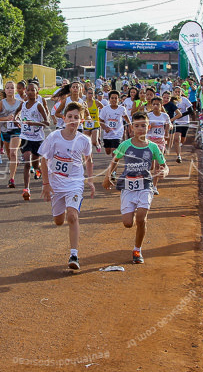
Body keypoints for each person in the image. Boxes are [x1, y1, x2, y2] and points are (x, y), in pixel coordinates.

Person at [103, 111, 169, 264]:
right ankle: (132, 212)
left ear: (149, 127)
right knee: (128, 223)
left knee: (141, 218)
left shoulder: (153, 147)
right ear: (132, 127)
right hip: (128, 186)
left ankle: (137, 250)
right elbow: (115, 161)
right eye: (137, 126)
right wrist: (107, 177)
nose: (140, 129)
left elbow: (164, 165)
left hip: (145, 185)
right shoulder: (125, 145)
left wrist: (164, 171)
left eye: (143, 126)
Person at [38, 102, 95, 271]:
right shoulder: (54, 137)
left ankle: (74, 254)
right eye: (69, 117)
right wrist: (46, 184)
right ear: (64, 118)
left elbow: (89, 160)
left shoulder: (84, 140)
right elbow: (43, 159)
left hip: (75, 184)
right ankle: (61, 210)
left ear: (81, 120)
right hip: (56, 185)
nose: (72, 120)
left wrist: (90, 180)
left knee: (72, 216)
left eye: (76, 117)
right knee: (58, 221)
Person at [16, 80, 52, 201]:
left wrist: (34, 123)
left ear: (37, 92)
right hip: (25, 137)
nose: (30, 92)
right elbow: (15, 115)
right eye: (28, 90)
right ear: (25, 91)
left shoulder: (39, 105)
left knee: (36, 164)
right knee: (27, 162)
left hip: (37, 139)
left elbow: (47, 122)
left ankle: (39, 170)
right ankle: (26, 188)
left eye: (33, 90)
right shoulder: (23, 104)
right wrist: (16, 120)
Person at [0, 81, 24, 188]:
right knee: (9, 155)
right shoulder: (1, 103)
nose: (10, 90)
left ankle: (11, 179)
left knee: (13, 153)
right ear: (5, 90)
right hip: (5, 130)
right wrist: (6, 119)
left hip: (16, 130)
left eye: (12, 88)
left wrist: (20, 121)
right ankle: (13, 163)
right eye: (7, 88)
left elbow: (24, 115)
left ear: (15, 90)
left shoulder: (21, 103)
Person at [167, 86, 193, 163]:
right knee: (176, 138)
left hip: (185, 122)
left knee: (182, 139)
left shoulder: (185, 100)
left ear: (181, 92)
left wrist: (180, 115)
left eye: (179, 92)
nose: (177, 93)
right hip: (176, 122)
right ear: (173, 92)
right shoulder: (171, 101)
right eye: (176, 92)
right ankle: (178, 155)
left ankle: (180, 145)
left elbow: (190, 110)